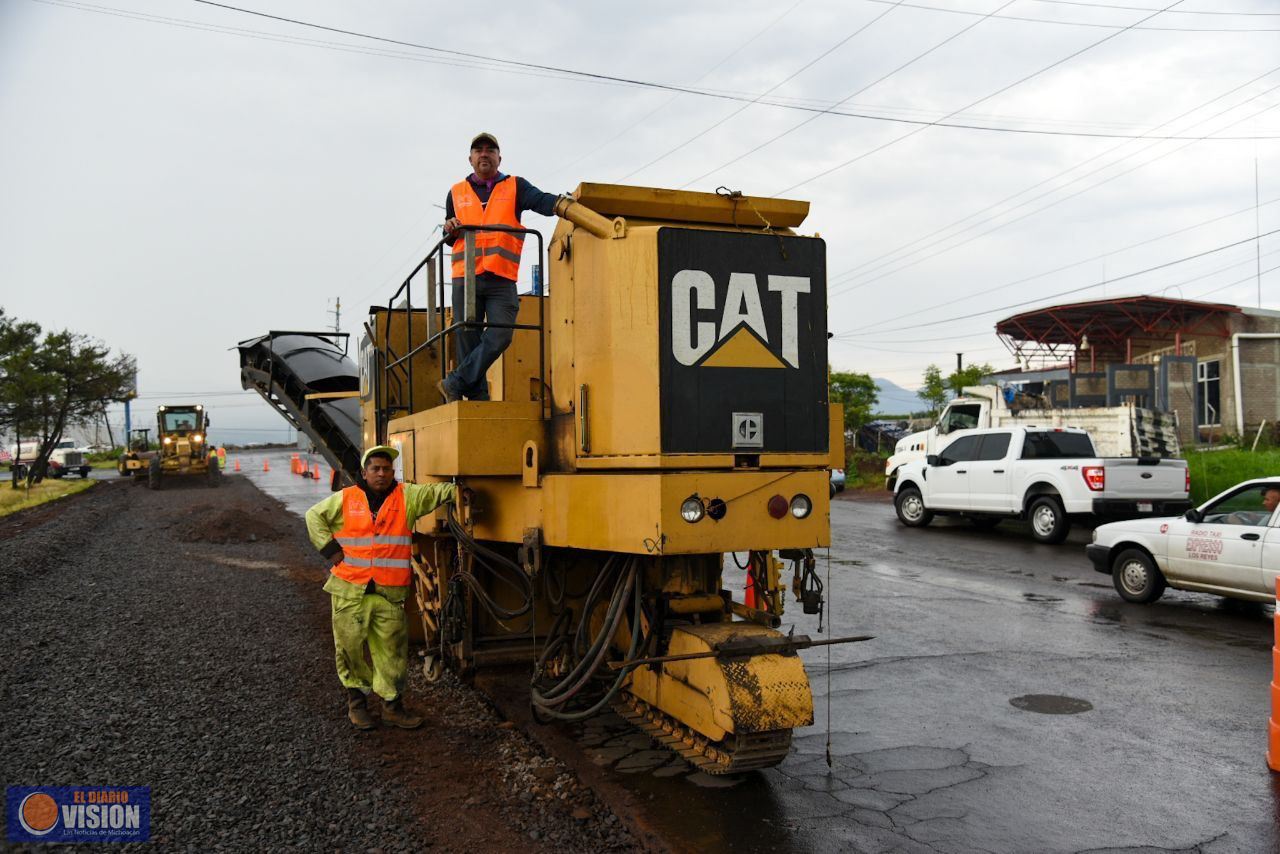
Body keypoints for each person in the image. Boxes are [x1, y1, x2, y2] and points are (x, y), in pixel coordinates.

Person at [305, 445, 456, 730]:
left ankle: (392, 708)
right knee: (349, 649)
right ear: (364, 472)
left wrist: (458, 488)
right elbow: (313, 516)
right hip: (350, 590)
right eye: (375, 468)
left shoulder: (407, 497)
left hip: (389, 594)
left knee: (392, 653)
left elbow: (436, 493)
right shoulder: (347, 498)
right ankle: (357, 706)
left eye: (387, 469)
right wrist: (331, 550)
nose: (382, 473)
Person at [437, 132, 559, 402]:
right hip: (464, 278)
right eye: (478, 150)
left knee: (501, 334)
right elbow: (448, 237)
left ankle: (455, 382)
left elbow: (541, 201)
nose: (484, 153)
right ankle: (477, 398)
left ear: (498, 158)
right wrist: (449, 228)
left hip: (501, 278)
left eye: (490, 150)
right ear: (470, 159)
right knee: (467, 340)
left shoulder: (515, 186)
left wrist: (564, 203)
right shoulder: (455, 192)